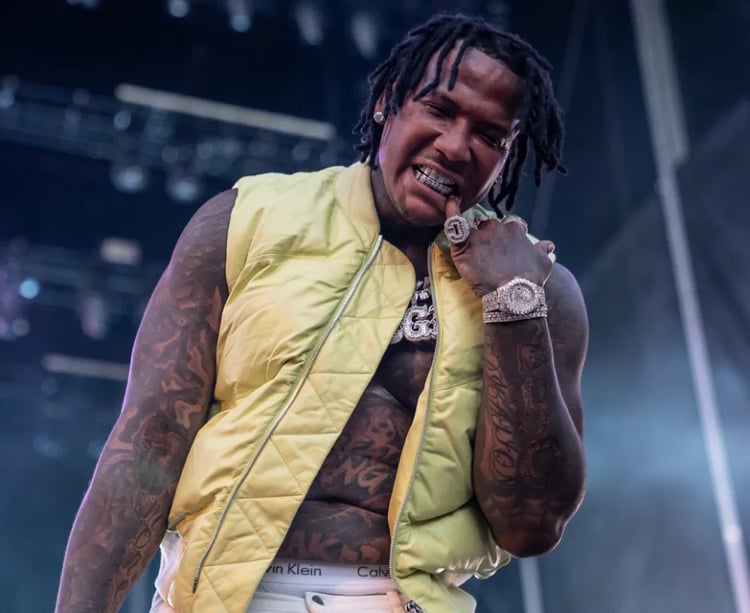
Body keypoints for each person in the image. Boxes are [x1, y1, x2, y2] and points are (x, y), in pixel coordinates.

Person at [55, 12, 587, 613]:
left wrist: (513, 302)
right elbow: (148, 447)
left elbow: (532, 525)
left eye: (489, 135)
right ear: (387, 101)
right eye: (439, 109)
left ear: (509, 153)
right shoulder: (246, 221)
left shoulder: (541, 289)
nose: (456, 145)